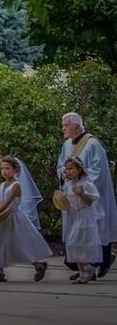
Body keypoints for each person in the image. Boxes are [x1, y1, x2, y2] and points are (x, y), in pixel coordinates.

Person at [58, 112, 117, 279]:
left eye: (66, 125)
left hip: (90, 199)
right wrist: (64, 174)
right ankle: (83, 268)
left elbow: (97, 172)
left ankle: (100, 262)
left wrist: (80, 181)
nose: (63, 129)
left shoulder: (92, 144)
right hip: (74, 199)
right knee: (77, 234)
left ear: (77, 126)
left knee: (94, 232)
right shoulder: (67, 144)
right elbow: (61, 165)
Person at [0, 155, 50, 282]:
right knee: (0, 243)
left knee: (21, 244)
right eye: (2, 168)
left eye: (7, 168)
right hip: (2, 219)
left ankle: (38, 265)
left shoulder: (16, 185)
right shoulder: (1, 185)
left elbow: (7, 203)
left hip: (14, 217)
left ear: (15, 170)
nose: (4, 171)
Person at [58, 157, 102, 282]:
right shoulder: (67, 184)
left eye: (71, 168)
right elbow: (66, 201)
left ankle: (88, 267)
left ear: (79, 169)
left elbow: (89, 202)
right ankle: (83, 273)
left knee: (78, 243)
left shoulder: (86, 184)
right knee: (72, 245)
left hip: (84, 216)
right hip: (72, 216)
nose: (69, 171)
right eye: (67, 169)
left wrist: (81, 194)